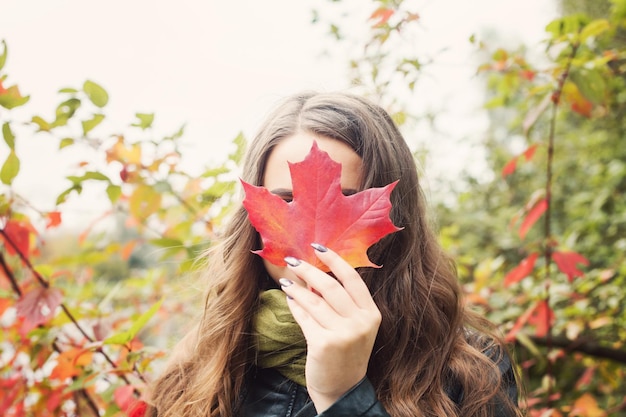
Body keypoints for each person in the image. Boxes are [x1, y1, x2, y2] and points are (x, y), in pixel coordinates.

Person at [146, 92, 523, 417]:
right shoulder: (197, 367)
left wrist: (343, 396)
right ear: (253, 217)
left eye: (346, 202)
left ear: (393, 219)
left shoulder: (469, 369)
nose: (313, 246)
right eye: (283, 201)